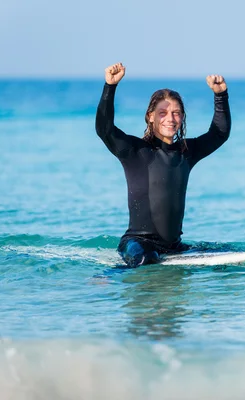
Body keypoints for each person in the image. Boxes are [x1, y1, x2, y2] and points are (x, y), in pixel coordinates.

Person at [95, 63, 231, 268]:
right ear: (150, 117)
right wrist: (110, 87)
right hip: (137, 243)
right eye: (163, 113)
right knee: (145, 259)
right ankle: (112, 275)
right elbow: (105, 129)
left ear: (182, 117)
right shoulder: (134, 151)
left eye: (176, 113)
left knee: (226, 254)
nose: (170, 118)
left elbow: (219, 133)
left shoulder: (186, 152)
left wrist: (221, 96)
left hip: (173, 246)